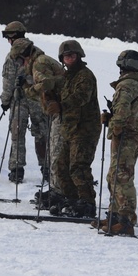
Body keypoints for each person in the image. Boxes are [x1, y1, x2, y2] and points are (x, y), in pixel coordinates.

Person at [97, 50, 138, 236]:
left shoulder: (127, 84)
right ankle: (115, 215)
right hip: (130, 134)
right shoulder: (137, 84)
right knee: (115, 175)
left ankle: (126, 220)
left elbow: (122, 110)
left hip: (126, 136)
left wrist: (115, 125)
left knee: (122, 177)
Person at [11, 37, 65, 209]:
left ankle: (59, 191)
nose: (21, 63)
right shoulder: (40, 61)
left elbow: (47, 84)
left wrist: (28, 89)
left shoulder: (38, 64)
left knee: (55, 148)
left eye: (20, 59)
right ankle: (58, 189)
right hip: (58, 107)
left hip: (60, 109)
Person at [53, 40, 100, 218]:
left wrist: (59, 105)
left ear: (79, 56)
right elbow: (54, 88)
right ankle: (71, 200)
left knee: (78, 167)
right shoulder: (66, 77)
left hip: (85, 129)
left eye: (72, 55)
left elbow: (80, 97)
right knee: (61, 166)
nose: (69, 58)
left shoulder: (85, 76)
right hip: (70, 128)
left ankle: (87, 202)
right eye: (66, 56)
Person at [0, 21, 48, 184]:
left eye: (8, 37)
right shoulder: (39, 53)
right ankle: (46, 167)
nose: (8, 41)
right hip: (38, 98)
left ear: (14, 36)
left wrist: (5, 100)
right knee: (41, 132)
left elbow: (8, 81)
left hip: (20, 98)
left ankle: (16, 169)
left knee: (17, 132)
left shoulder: (12, 55)